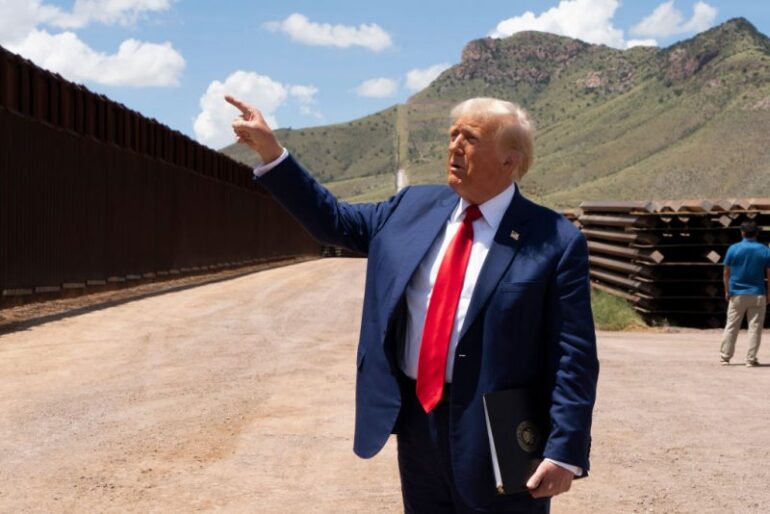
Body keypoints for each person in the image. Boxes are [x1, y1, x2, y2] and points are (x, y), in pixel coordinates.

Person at [226, 94, 599, 513]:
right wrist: (272, 153)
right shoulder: (412, 207)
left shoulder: (554, 240)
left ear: (509, 161)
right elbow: (333, 221)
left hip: (502, 429)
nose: (454, 146)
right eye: (453, 134)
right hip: (419, 419)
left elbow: (574, 355)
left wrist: (564, 449)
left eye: (471, 138)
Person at [720, 220, 770, 367]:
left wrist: (727, 290)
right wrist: (769, 293)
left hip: (737, 293)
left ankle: (725, 357)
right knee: (755, 328)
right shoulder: (765, 250)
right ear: (757, 233)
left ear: (742, 233)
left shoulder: (733, 249)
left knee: (731, 326)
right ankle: (750, 359)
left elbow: (726, 272)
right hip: (758, 293)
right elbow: (769, 273)